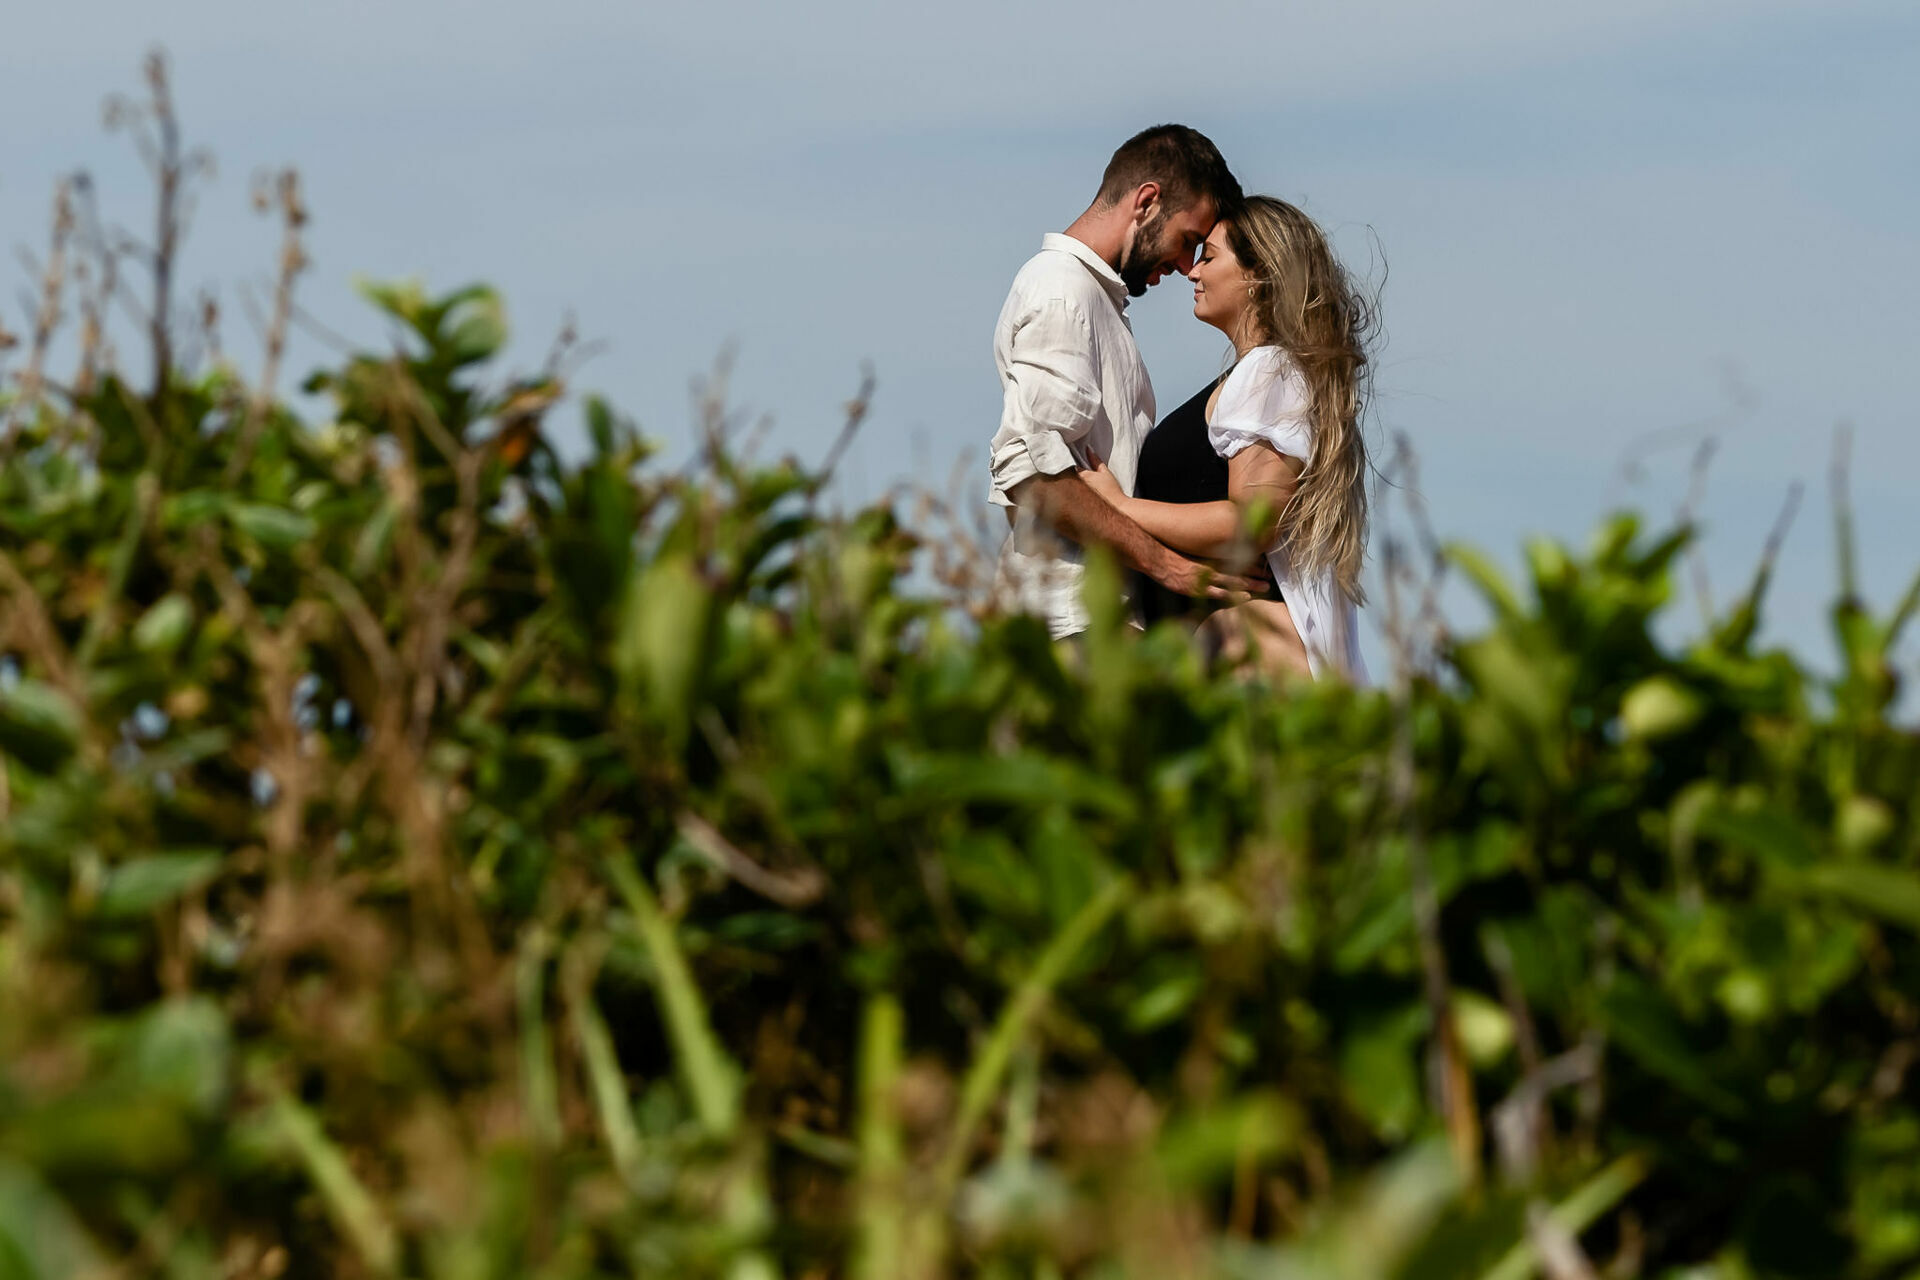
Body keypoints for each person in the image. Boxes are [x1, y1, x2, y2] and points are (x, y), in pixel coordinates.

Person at [1077, 196, 1374, 683]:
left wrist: (1122, 511)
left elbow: (1252, 522)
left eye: (1209, 257)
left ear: (1259, 276)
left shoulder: (1268, 370)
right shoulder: (1262, 375)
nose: (1192, 273)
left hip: (1258, 658)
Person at [986, 125, 1263, 642]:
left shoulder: (1094, 301)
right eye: (1187, 242)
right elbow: (1034, 476)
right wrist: (1168, 567)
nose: (1186, 266)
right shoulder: (1062, 291)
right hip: (1069, 622)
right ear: (1147, 202)